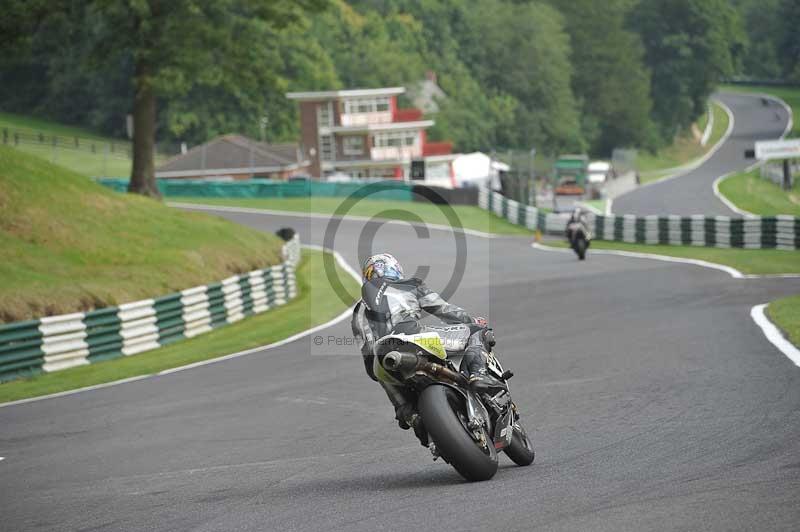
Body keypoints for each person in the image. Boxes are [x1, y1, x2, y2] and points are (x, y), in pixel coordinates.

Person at [351, 253, 504, 434]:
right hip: (413, 336)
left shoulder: (358, 311)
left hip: (383, 357)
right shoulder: (409, 285)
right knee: (476, 332)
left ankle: (408, 413)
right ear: (393, 268)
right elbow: (446, 311)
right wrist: (472, 320)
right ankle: (479, 374)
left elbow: (368, 358)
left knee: (382, 371)